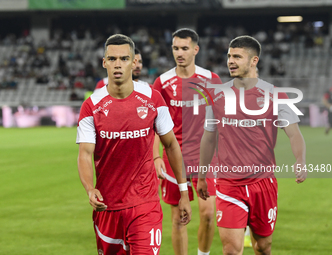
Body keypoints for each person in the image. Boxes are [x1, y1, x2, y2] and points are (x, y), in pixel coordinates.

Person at [76, 34, 191, 255]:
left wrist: (183, 192)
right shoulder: (91, 107)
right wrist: (90, 189)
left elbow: (171, 145)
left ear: (134, 62)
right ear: (104, 62)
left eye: (124, 59)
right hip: (107, 207)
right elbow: (85, 154)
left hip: (145, 205)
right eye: (112, 59)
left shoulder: (153, 99)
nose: (118, 64)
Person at [197, 35, 307, 255]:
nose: (230, 61)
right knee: (231, 249)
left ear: (254, 60)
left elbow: (294, 134)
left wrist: (300, 160)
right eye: (229, 56)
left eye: (237, 56)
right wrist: (201, 175)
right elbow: (209, 137)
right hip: (229, 184)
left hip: (263, 184)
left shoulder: (275, 95)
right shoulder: (217, 95)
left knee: (263, 247)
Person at [153, 28, 222, 255]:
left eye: (184, 48)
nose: (179, 53)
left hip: (204, 157)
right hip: (174, 156)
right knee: (179, 218)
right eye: (175, 48)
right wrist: (155, 157)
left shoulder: (211, 79)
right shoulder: (162, 83)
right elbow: (155, 127)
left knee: (208, 215)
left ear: (196, 49)